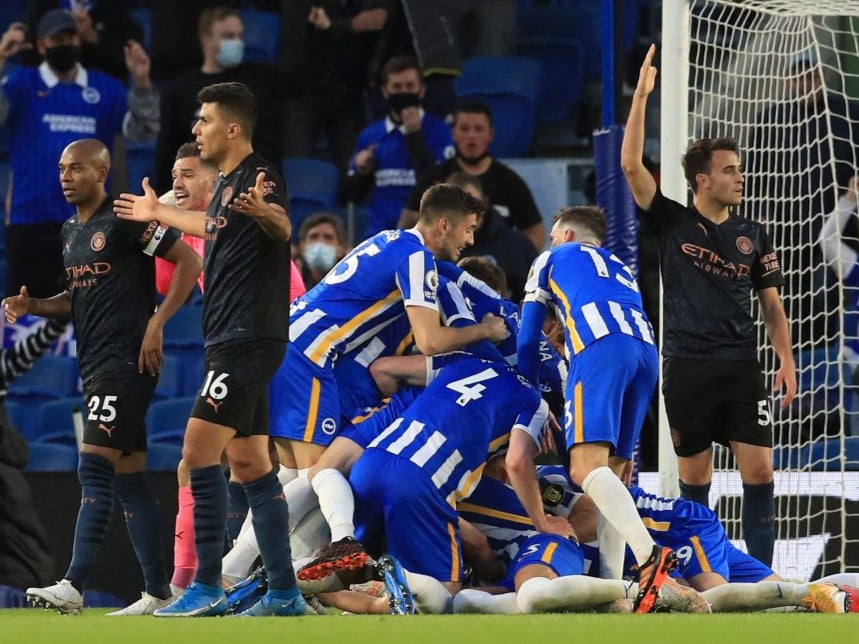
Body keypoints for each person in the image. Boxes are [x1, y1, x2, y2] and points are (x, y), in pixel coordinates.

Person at [114, 81, 306, 618]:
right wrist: (158, 210)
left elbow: (281, 223)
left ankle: (204, 585)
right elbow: (209, 227)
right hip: (233, 337)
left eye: (203, 120)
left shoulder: (259, 176)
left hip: (246, 337)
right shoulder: (224, 188)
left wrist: (271, 218)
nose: (196, 129)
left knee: (196, 451)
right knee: (249, 463)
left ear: (233, 128)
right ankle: (286, 594)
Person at [3, 139, 201, 615]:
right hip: (94, 365)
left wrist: (157, 322)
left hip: (126, 361)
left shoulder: (127, 218)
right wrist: (34, 306)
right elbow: (76, 300)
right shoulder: (71, 230)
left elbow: (190, 263)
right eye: (60, 169)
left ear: (101, 172)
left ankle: (73, 584)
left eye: (75, 169)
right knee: (130, 482)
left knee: (93, 467)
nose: (64, 177)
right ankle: (157, 591)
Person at [621, 45, 797, 568]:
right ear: (702, 180)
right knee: (696, 481)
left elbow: (772, 304)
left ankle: (764, 581)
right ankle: (705, 578)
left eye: (739, 170)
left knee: (760, 473)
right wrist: (642, 97)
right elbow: (630, 164)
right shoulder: (671, 221)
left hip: (741, 365)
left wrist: (785, 359)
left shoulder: (753, 233)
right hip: (687, 367)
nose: (740, 177)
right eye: (730, 170)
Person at [514, 206, 673, 614]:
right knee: (614, 473)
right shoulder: (619, 265)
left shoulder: (550, 258)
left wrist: (529, 393)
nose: (550, 242)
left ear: (565, 235)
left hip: (600, 349)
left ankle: (649, 555)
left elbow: (528, 339)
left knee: (584, 469)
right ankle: (613, 588)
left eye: (552, 236)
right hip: (645, 353)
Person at [0, 9, 159, 300]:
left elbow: (143, 132)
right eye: (57, 38)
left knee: (84, 319)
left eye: (71, 36)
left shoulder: (105, 88)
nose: (66, 43)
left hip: (90, 223)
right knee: (24, 320)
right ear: (41, 45)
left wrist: (142, 84)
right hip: (30, 222)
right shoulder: (21, 84)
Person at [153, 6, 282, 192]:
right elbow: (168, 150)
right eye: (228, 36)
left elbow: (270, 141)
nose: (237, 42)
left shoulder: (258, 84)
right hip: (196, 190)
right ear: (206, 38)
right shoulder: (180, 90)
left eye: (240, 36)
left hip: (246, 186)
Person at [400, 100, 545, 251]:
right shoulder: (434, 179)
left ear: (491, 134)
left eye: (478, 129)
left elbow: (535, 233)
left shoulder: (509, 182)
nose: (471, 135)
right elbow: (407, 223)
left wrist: (516, 262)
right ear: (453, 133)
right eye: (464, 128)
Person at [343, 55, 454, 239]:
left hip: (426, 236)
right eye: (397, 87)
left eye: (410, 86)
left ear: (421, 90)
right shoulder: (371, 135)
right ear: (385, 91)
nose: (404, 92)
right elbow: (352, 195)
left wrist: (414, 135)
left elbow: (440, 186)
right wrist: (362, 171)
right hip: (380, 237)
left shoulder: (440, 132)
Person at [0, 317, 69, 594]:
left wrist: (56, 323)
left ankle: (34, 590)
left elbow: (23, 354)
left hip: (4, 470)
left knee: (23, 543)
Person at [279, 0, 388, 174]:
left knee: (352, 170)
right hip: (303, 92)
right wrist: (350, 26)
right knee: (296, 169)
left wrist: (333, 27)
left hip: (349, 93)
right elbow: (303, 34)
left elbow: (380, 19)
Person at [446, 172, 538, 302]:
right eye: (455, 205)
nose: (465, 211)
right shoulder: (433, 249)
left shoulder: (518, 246)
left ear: (484, 202)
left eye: (471, 202)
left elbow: (535, 300)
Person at [154, 142, 217, 297]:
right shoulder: (188, 235)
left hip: (282, 316)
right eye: (174, 177)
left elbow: (212, 226)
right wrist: (159, 229)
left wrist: (159, 210)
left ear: (213, 184)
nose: (177, 184)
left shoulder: (237, 209)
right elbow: (166, 286)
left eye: (188, 176)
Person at [294, 212, 350, 290]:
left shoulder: (351, 286)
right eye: (314, 237)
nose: (320, 242)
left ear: (342, 248)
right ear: (302, 246)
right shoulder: (290, 283)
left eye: (328, 237)